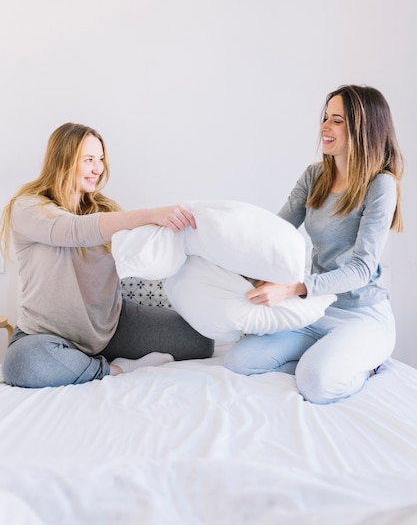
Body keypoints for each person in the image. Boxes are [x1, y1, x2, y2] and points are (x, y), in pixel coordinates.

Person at [224, 84, 404, 404]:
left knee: (317, 385)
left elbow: (361, 269)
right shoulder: (314, 176)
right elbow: (274, 234)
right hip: (314, 311)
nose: (324, 127)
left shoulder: (381, 184)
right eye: (325, 117)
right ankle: (320, 358)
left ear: (363, 128)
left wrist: (291, 288)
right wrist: (228, 249)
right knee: (240, 361)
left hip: (361, 314)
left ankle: (365, 366)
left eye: (337, 120)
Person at [0, 122, 214, 388]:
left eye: (100, 159)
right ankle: (112, 370)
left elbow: (142, 250)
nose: (98, 168)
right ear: (63, 160)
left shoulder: (107, 209)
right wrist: (152, 213)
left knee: (202, 341)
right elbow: (75, 230)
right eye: (88, 159)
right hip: (47, 335)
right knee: (20, 363)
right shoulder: (28, 208)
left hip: (110, 326)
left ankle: (80, 362)